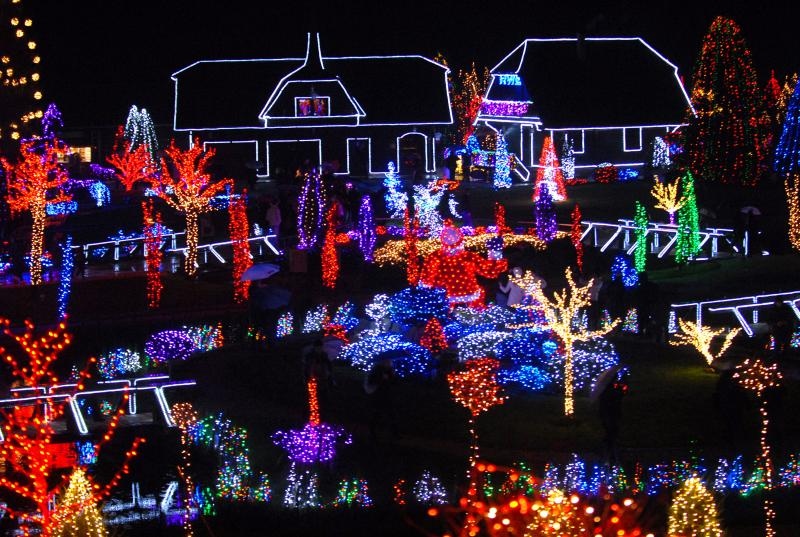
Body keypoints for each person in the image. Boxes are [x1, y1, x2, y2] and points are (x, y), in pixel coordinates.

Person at [596, 367, 628, 464]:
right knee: (612, 428)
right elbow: (620, 396)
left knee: (609, 428)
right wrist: (621, 389)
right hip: (612, 411)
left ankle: (608, 446)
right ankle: (610, 448)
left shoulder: (603, 389)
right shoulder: (612, 390)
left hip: (606, 411)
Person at [364, 359, 399, 442]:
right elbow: (372, 381)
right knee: (378, 414)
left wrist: (390, 376)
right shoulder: (376, 369)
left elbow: (393, 381)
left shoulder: (389, 370)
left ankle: (393, 432)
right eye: (387, 362)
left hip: (387, 395)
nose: (389, 363)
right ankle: (373, 432)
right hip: (379, 395)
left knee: (390, 414)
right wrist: (381, 378)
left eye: (389, 362)